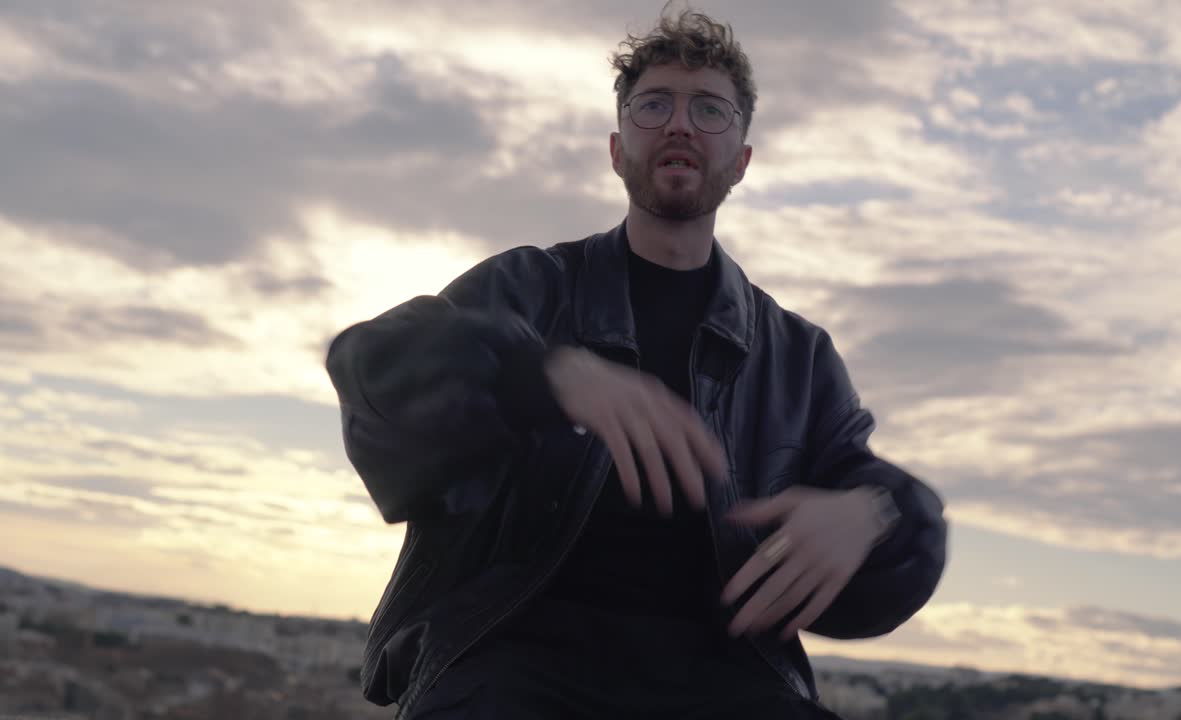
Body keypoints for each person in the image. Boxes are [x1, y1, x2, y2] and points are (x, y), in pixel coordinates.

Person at [326, 9, 948, 720]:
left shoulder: (797, 356)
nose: (680, 124)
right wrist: (539, 374)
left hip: (726, 679)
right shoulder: (529, 288)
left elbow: (875, 511)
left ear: (741, 160)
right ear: (619, 149)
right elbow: (375, 375)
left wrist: (875, 516)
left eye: (710, 109)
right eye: (655, 104)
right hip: (507, 664)